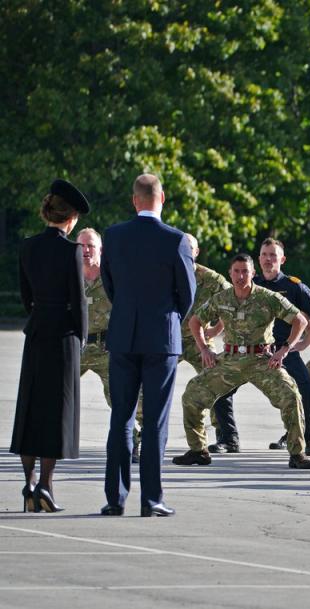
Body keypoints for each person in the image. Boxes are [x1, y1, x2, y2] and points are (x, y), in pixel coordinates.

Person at [100, 174, 195, 517]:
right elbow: (188, 294)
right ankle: (152, 499)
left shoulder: (113, 236)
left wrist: (128, 311)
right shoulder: (176, 240)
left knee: (121, 418)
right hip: (161, 338)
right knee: (155, 420)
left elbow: (109, 286)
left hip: (124, 335)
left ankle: (115, 497)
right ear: (163, 198)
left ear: (134, 199)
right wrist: (167, 318)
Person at [175, 254, 310, 469]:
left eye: (245, 271)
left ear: (253, 273)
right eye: (236, 271)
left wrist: (284, 349)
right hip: (230, 359)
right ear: (230, 274)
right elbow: (195, 321)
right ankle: (198, 451)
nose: (241, 276)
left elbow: (300, 320)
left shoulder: (268, 297)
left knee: (291, 395)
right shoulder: (222, 298)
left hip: (262, 360)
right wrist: (203, 348)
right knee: (192, 394)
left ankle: (297, 454)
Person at [12, 179, 89, 512]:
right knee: (58, 412)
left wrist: (41, 313)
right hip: (63, 336)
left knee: (30, 408)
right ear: (71, 218)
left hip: (37, 332)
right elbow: (78, 300)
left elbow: (26, 296)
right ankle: (45, 485)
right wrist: (81, 337)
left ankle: (28, 484)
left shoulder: (28, 247)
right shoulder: (70, 251)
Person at [249, 238, 310, 455]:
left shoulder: (293, 286)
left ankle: (307, 439)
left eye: (273, 255)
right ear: (258, 259)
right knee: (221, 386)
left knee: (306, 389)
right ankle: (227, 438)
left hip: (284, 351)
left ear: (282, 259)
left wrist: (305, 342)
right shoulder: (251, 283)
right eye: (264, 255)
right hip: (253, 352)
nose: (268, 259)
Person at [77, 228, 144, 463]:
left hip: (109, 345)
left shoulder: (113, 275)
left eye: (91, 246)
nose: (85, 251)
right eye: (81, 246)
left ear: (101, 250)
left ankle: (135, 441)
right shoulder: (68, 275)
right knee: (54, 389)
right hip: (78, 345)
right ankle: (45, 442)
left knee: (122, 397)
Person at [177, 233, 236, 453]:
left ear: (197, 252)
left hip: (200, 339)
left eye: (189, 249)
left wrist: (217, 328)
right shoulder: (166, 272)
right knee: (150, 380)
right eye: (181, 248)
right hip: (171, 338)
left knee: (216, 379)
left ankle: (226, 436)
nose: (185, 253)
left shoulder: (211, 279)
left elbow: (233, 302)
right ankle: (145, 430)